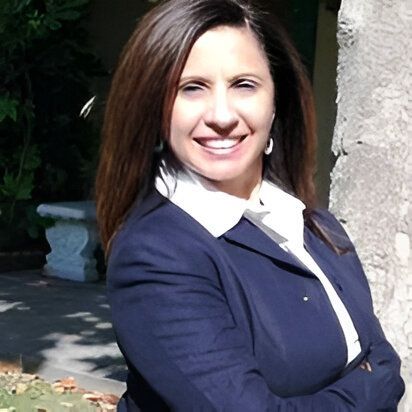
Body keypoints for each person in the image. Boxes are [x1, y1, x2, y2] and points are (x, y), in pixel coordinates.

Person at [95, 0, 405, 410]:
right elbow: (382, 374)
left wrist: (379, 376)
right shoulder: (155, 255)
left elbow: (382, 356)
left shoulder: (316, 226)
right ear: (156, 107)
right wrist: (374, 388)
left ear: (276, 100)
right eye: (191, 88)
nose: (222, 115)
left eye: (244, 84)